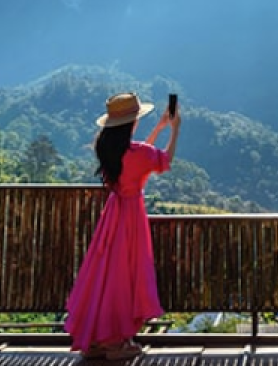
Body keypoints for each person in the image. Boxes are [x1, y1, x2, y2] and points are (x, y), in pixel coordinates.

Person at [65, 92, 181, 360]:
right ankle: (115, 342)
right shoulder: (137, 153)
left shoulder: (110, 150)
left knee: (106, 273)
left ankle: (97, 337)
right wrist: (175, 130)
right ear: (132, 123)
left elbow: (141, 158)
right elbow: (163, 161)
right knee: (125, 275)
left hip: (113, 216)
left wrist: (159, 128)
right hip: (131, 218)